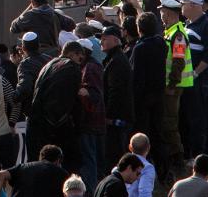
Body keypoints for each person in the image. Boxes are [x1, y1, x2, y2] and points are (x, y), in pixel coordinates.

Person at [26, 41, 83, 172]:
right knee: (70, 164)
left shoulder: (49, 64)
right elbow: (65, 100)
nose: (80, 62)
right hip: (53, 125)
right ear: (72, 54)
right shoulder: (71, 67)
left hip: (37, 122)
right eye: (80, 57)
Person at [177, 0, 208, 159]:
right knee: (186, 117)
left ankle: (199, 155)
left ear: (193, 5)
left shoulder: (207, 25)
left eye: (184, 3)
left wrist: (195, 73)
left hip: (199, 81)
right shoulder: (187, 24)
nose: (181, 6)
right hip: (188, 81)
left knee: (198, 118)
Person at [129, 12, 167, 179]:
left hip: (144, 98)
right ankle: (163, 171)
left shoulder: (140, 49)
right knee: (158, 134)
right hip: (159, 94)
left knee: (142, 136)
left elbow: (137, 77)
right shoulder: (161, 44)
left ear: (139, 29)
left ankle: (142, 171)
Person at [158, 0, 193, 173]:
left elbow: (178, 62)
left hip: (174, 87)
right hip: (172, 85)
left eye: (163, 12)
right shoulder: (171, 31)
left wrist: (171, 85)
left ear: (170, 14)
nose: (161, 16)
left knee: (170, 123)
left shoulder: (178, 34)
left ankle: (178, 161)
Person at [100, 25, 134, 172]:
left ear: (115, 40)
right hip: (117, 116)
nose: (101, 42)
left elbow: (116, 91)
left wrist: (108, 115)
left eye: (104, 39)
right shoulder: (114, 59)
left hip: (117, 118)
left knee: (115, 153)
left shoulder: (117, 62)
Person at [76, 38, 105, 195]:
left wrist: (80, 92)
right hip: (92, 120)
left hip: (90, 121)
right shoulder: (91, 65)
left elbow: (93, 94)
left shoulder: (90, 68)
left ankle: (91, 192)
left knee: (89, 159)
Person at [10, 0, 75, 55]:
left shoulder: (29, 16)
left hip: (35, 55)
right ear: (46, 2)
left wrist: (28, 8)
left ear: (32, 2)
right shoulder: (54, 15)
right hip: (52, 55)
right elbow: (72, 25)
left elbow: (13, 28)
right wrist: (52, 10)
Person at [0, 144, 68, 197]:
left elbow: (0, 175)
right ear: (58, 161)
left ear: (40, 157)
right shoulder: (62, 174)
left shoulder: (22, 167)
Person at [13, 32, 51, 117]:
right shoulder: (49, 59)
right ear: (39, 45)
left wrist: (14, 97)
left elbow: (25, 88)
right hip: (51, 107)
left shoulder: (25, 64)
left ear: (23, 48)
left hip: (35, 111)